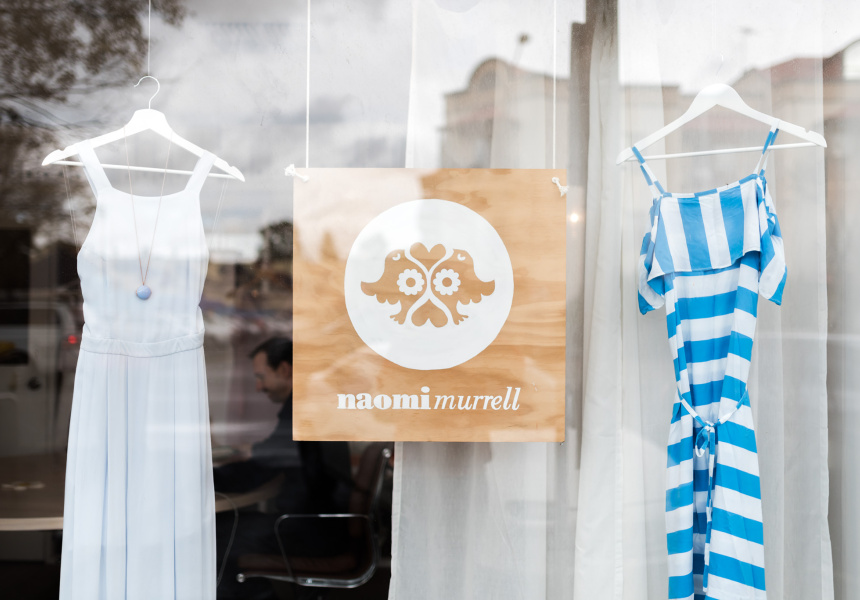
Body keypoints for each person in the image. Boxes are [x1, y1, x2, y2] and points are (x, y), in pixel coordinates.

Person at [214, 337, 351, 600]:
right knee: (230, 526)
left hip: (311, 530)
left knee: (216, 535)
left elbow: (260, 468)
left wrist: (204, 479)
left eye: (261, 377)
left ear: (285, 370)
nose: (258, 387)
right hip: (324, 524)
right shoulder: (311, 405)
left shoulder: (303, 410)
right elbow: (271, 457)